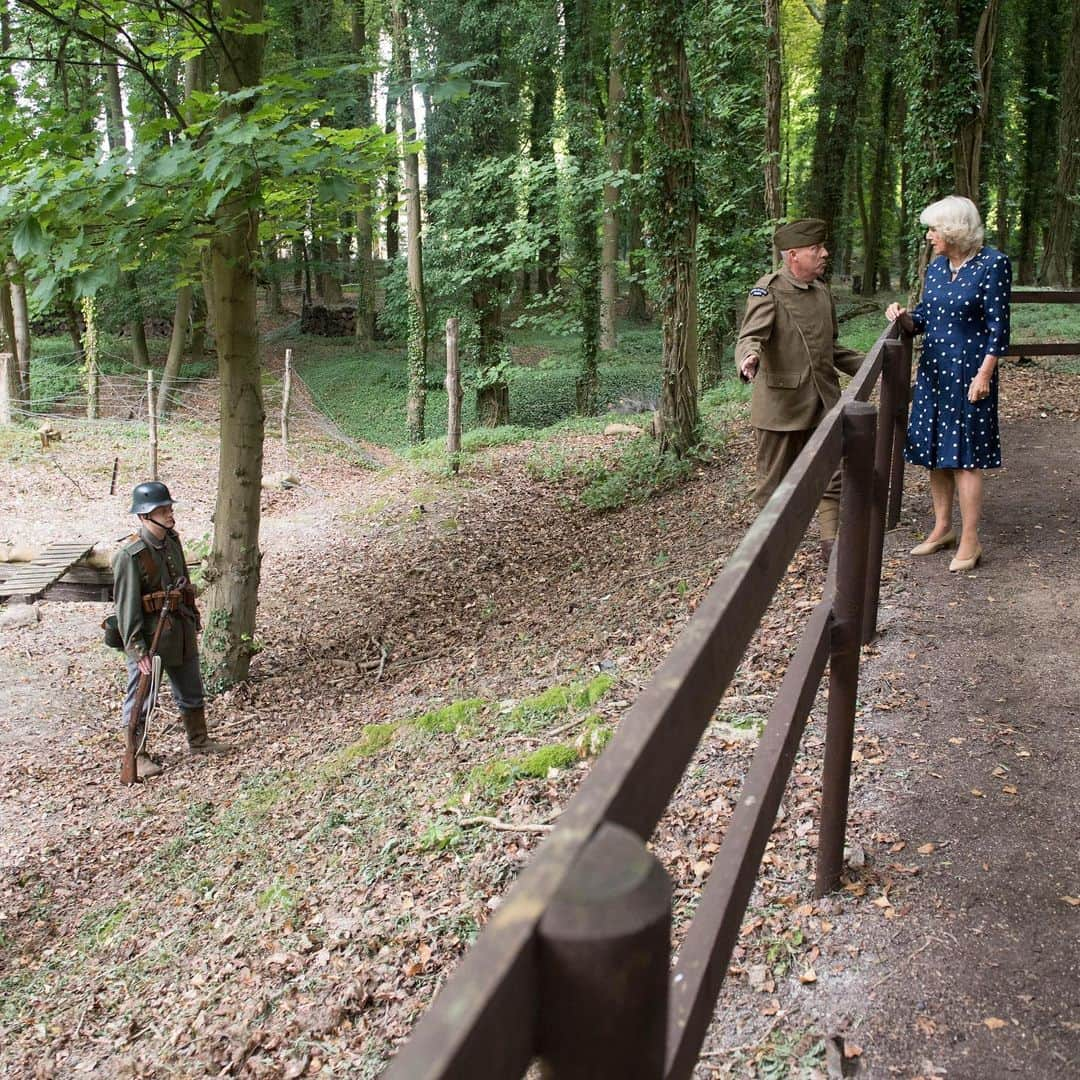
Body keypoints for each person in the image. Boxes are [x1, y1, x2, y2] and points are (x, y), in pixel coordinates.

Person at [886, 195, 1010, 572]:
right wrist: (903, 317)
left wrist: (984, 375)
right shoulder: (938, 267)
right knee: (935, 453)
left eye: (934, 228)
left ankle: (970, 540)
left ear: (954, 229)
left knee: (966, 458)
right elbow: (924, 318)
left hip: (971, 373)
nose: (929, 236)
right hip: (934, 371)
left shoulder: (993, 264)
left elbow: (999, 328)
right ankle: (942, 529)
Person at [735, 219, 863, 561]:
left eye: (822, 247)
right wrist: (749, 358)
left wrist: (871, 366)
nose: (824, 253)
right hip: (782, 406)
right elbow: (751, 337)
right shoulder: (769, 290)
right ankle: (765, 555)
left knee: (832, 474)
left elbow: (831, 348)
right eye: (816, 249)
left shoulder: (822, 292)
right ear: (793, 255)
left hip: (822, 401)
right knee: (773, 485)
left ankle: (830, 545)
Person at [112, 481, 228, 777]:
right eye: (160, 509)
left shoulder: (171, 540)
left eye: (168, 507)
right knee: (141, 698)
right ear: (143, 516)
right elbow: (126, 607)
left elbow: (183, 583)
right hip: (151, 639)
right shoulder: (131, 555)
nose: (168, 512)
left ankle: (199, 741)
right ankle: (136, 756)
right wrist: (137, 649)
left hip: (180, 628)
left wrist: (193, 617)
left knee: (191, 689)